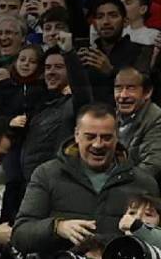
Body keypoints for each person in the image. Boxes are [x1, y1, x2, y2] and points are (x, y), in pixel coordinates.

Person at [12, 103, 160, 255]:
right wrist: (57, 228)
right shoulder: (47, 174)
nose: (98, 144)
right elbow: (20, 236)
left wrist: (140, 231)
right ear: (76, 135)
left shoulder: (143, 182)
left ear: (117, 137)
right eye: (90, 136)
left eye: (106, 137)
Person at [113, 66, 161, 179]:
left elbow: (152, 166)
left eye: (130, 88)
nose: (123, 96)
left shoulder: (157, 118)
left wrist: (115, 183)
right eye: (118, 88)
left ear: (147, 93)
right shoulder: (111, 116)